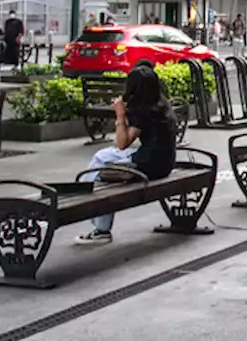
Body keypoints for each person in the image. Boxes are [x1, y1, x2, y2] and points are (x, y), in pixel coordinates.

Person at [76, 66, 178, 245]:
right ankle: (97, 221)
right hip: (164, 162)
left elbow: (122, 143)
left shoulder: (143, 111)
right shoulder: (160, 104)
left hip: (147, 165)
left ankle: (101, 228)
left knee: (96, 173)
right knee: (101, 156)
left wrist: (120, 115)